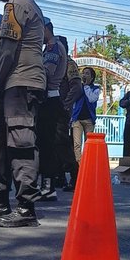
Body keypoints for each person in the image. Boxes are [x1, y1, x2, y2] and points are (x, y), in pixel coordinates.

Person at [0, 0, 46, 227]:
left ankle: (25, 209)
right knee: (3, 141)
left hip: (20, 82)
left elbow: (8, 50)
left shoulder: (15, 5)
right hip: (21, 82)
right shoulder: (28, 4)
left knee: (21, 142)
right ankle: (1, 201)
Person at [34, 18, 68, 202]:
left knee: (47, 145)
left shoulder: (53, 47)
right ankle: (46, 184)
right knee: (44, 144)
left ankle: (48, 186)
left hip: (50, 99)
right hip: (49, 99)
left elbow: (46, 73)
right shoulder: (50, 47)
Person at [55, 35, 81, 192]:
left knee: (63, 143)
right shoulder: (53, 63)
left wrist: (66, 105)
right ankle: (59, 176)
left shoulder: (69, 64)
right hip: (51, 107)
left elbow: (76, 87)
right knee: (53, 144)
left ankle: (75, 175)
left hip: (61, 109)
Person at [71, 67, 100, 162]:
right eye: (83, 73)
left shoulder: (95, 89)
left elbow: (92, 99)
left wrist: (86, 86)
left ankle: (87, 163)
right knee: (76, 144)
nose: (84, 75)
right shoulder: (78, 88)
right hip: (77, 119)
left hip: (89, 120)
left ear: (92, 77)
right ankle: (78, 165)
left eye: (87, 73)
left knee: (88, 144)